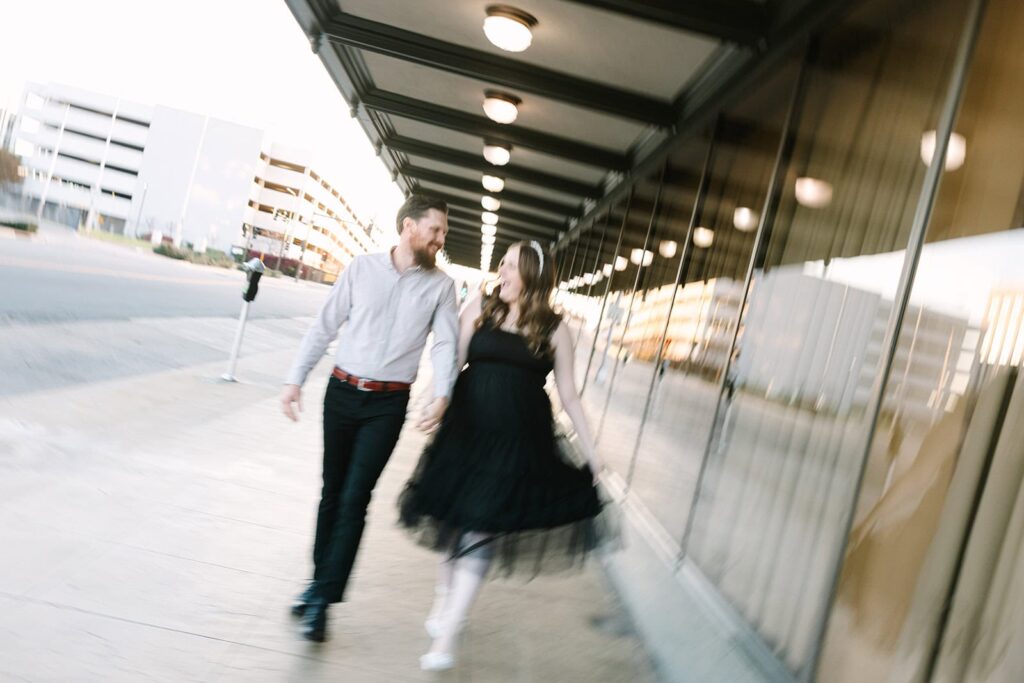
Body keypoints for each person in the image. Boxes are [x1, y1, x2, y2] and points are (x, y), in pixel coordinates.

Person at [398, 240, 609, 671]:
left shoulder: (554, 329)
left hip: (517, 445)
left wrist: (593, 451)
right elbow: (452, 362)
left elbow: (569, 394)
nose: (503, 272)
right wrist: (433, 400)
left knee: (480, 527)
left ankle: (450, 634)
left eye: (512, 266)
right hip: (466, 433)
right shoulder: (480, 306)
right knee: (453, 520)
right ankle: (445, 597)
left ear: (533, 277)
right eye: (504, 264)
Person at [280, 194, 458, 643]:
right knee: (331, 493)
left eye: (443, 233)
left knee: (355, 497)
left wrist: (442, 393)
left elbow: (445, 345)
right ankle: (318, 583)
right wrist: (294, 379)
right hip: (341, 393)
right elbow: (325, 325)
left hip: (387, 404)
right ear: (409, 227)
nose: (440, 239)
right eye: (434, 230)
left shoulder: (441, 286)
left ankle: (323, 599)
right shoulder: (361, 269)